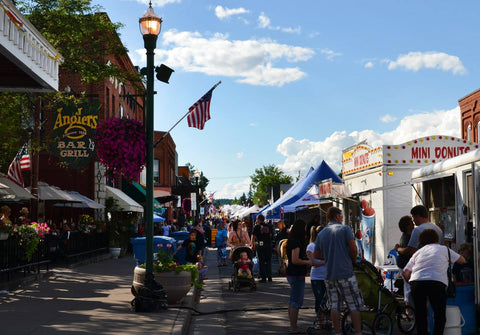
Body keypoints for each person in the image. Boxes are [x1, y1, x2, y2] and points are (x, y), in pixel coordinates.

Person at [403, 229, 466, 335]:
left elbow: (405, 273)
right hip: (436, 282)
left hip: (417, 282)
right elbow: (462, 260)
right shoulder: (444, 249)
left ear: (422, 241)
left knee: (421, 314)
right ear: (436, 239)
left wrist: (410, 283)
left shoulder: (418, 252)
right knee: (439, 314)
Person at [314, 206, 363, 335]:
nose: (342, 218)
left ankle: (337, 332)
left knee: (334, 305)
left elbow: (317, 254)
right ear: (337, 216)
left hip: (329, 274)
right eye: (341, 216)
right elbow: (353, 249)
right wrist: (352, 260)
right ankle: (358, 332)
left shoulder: (322, 233)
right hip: (345, 272)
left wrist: (330, 255)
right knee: (353, 305)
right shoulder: (345, 229)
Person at [285, 219, 311, 334]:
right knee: (296, 302)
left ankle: (293, 326)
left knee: (292, 301)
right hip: (296, 273)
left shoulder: (291, 240)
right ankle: (293, 327)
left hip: (292, 272)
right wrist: (307, 262)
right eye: (304, 228)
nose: (306, 230)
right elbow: (295, 260)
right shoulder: (296, 242)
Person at [306, 225, 328, 330]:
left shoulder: (327, 245)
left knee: (329, 300)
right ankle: (320, 322)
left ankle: (328, 321)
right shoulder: (311, 246)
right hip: (317, 277)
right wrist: (325, 262)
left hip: (328, 276)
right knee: (319, 300)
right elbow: (313, 262)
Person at [394, 215, 415, 305]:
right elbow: (407, 251)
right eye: (411, 223)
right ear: (407, 226)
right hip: (404, 264)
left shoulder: (410, 235)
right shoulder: (406, 237)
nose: (413, 224)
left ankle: (409, 308)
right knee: (408, 286)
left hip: (405, 263)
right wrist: (398, 249)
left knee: (408, 286)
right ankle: (408, 308)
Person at [251, 214, 274, 283]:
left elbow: (253, 236)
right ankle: (269, 277)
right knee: (268, 261)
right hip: (268, 245)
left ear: (258, 219)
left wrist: (252, 244)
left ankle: (263, 277)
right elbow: (271, 235)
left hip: (260, 245)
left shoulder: (257, 227)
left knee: (261, 261)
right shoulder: (269, 226)